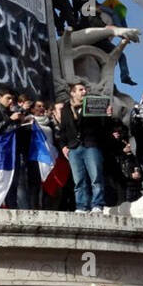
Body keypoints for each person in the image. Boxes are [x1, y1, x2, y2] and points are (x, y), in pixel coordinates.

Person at [58, 82, 111, 213]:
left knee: (96, 177)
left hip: (91, 145)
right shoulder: (65, 109)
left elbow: (103, 127)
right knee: (79, 180)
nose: (84, 92)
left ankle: (97, 204)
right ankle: (82, 206)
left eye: (85, 90)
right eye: (81, 90)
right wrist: (63, 146)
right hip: (74, 148)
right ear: (72, 92)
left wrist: (107, 116)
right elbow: (63, 129)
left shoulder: (93, 105)